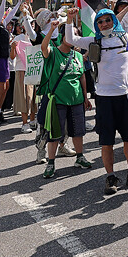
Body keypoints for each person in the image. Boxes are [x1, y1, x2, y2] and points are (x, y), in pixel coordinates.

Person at [64, 7, 128, 195]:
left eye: (108, 20)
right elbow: (71, 40)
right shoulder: (94, 40)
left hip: (124, 96)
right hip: (103, 98)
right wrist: (70, 19)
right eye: (100, 22)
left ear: (113, 21)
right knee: (106, 142)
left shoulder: (124, 38)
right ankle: (110, 177)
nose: (104, 24)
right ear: (96, 25)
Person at [36, 10, 93, 177]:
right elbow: (43, 48)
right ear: (63, 36)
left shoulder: (77, 55)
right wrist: (52, 30)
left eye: (76, 34)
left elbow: (81, 76)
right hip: (57, 101)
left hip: (76, 100)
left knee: (78, 131)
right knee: (54, 133)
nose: (74, 38)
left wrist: (85, 96)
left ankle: (80, 157)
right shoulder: (54, 52)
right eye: (71, 34)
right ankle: (51, 164)